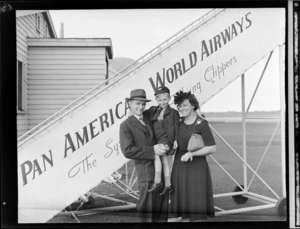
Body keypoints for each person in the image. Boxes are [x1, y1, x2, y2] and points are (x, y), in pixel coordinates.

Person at [119, 89, 169, 222]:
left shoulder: (147, 118)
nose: (140, 107)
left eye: (143, 104)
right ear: (130, 103)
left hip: (161, 173)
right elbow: (128, 150)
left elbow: (162, 110)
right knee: (148, 214)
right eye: (137, 103)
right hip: (146, 175)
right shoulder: (126, 125)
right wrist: (153, 150)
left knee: (161, 214)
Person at [170, 91, 216, 222]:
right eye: (179, 106)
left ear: (193, 105)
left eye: (185, 105)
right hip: (180, 167)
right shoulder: (178, 122)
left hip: (196, 168)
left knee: (197, 207)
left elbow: (212, 147)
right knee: (184, 210)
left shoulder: (202, 123)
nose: (181, 108)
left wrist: (192, 153)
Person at [145, 86, 180, 196]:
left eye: (165, 99)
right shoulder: (153, 110)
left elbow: (177, 127)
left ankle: (157, 181)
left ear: (169, 99)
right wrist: (131, 113)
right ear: (156, 100)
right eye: (160, 100)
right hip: (157, 141)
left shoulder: (173, 112)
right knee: (165, 162)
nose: (162, 102)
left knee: (154, 154)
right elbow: (143, 114)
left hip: (166, 141)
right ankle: (168, 185)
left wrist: (176, 140)